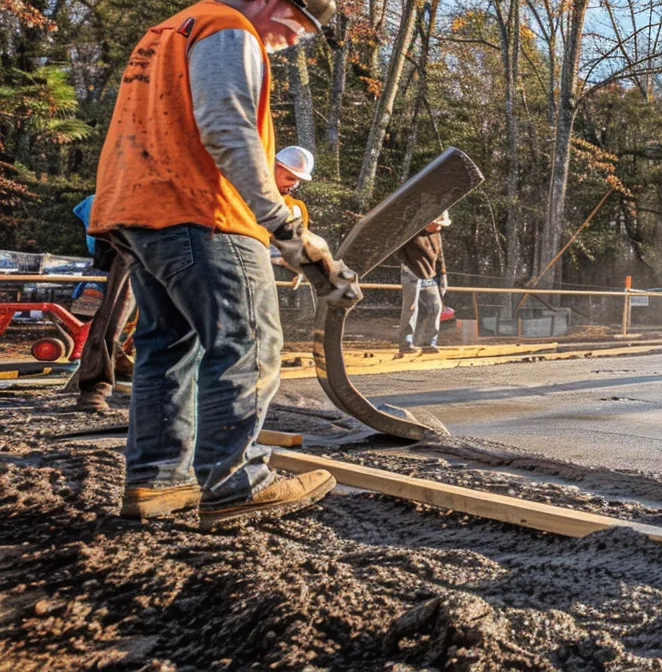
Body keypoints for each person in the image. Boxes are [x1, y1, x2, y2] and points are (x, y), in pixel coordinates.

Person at [90, 0, 355, 530]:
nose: (295, 39)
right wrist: (284, 228)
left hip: (142, 211)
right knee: (248, 343)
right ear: (270, 2)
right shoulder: (228, 27)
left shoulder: (168, 31)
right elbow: (227, 128)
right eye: (297, 24)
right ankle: (236, 483)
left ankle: (158, 481)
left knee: (167, 348)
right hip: (204, 211)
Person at [65, 196, 136, 413]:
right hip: (126, 236)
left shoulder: (94, 199)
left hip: (127, 235)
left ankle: (99, 383)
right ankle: (95, 388)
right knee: (110, 320)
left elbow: (80, 208)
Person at [396, 212, 450, 355]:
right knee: (411, 308)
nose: (439, 227)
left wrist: (443, 274)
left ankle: (429, 342)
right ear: (429, 222)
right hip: (411, 271)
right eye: (438, 224)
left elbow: (440, 255)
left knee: (436, 306)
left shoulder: (436, 235)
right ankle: (405, 343)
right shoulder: (411, 233)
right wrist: (407, 263)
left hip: (429, 274)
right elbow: (397, 250)